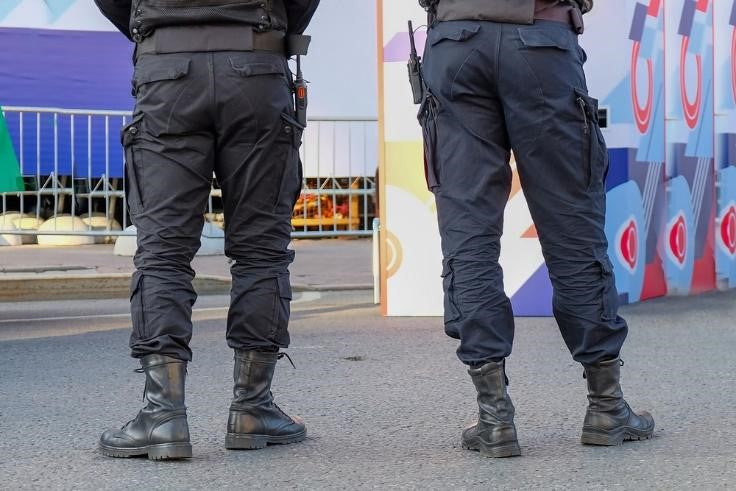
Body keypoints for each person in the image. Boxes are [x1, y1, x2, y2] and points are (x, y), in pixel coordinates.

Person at [414, 0, 654, 457]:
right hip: (542, 40)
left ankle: (495, 416)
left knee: (469, 234)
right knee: (572, 228)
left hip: (456, 41)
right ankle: (606, 405)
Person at [93, 0, 320, 460]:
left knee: (162, 252)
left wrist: (158, 29)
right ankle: (253, 408)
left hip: (167, 68)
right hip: (257, 63)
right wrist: (269, 26)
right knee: (261, 250)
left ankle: (163, 414)